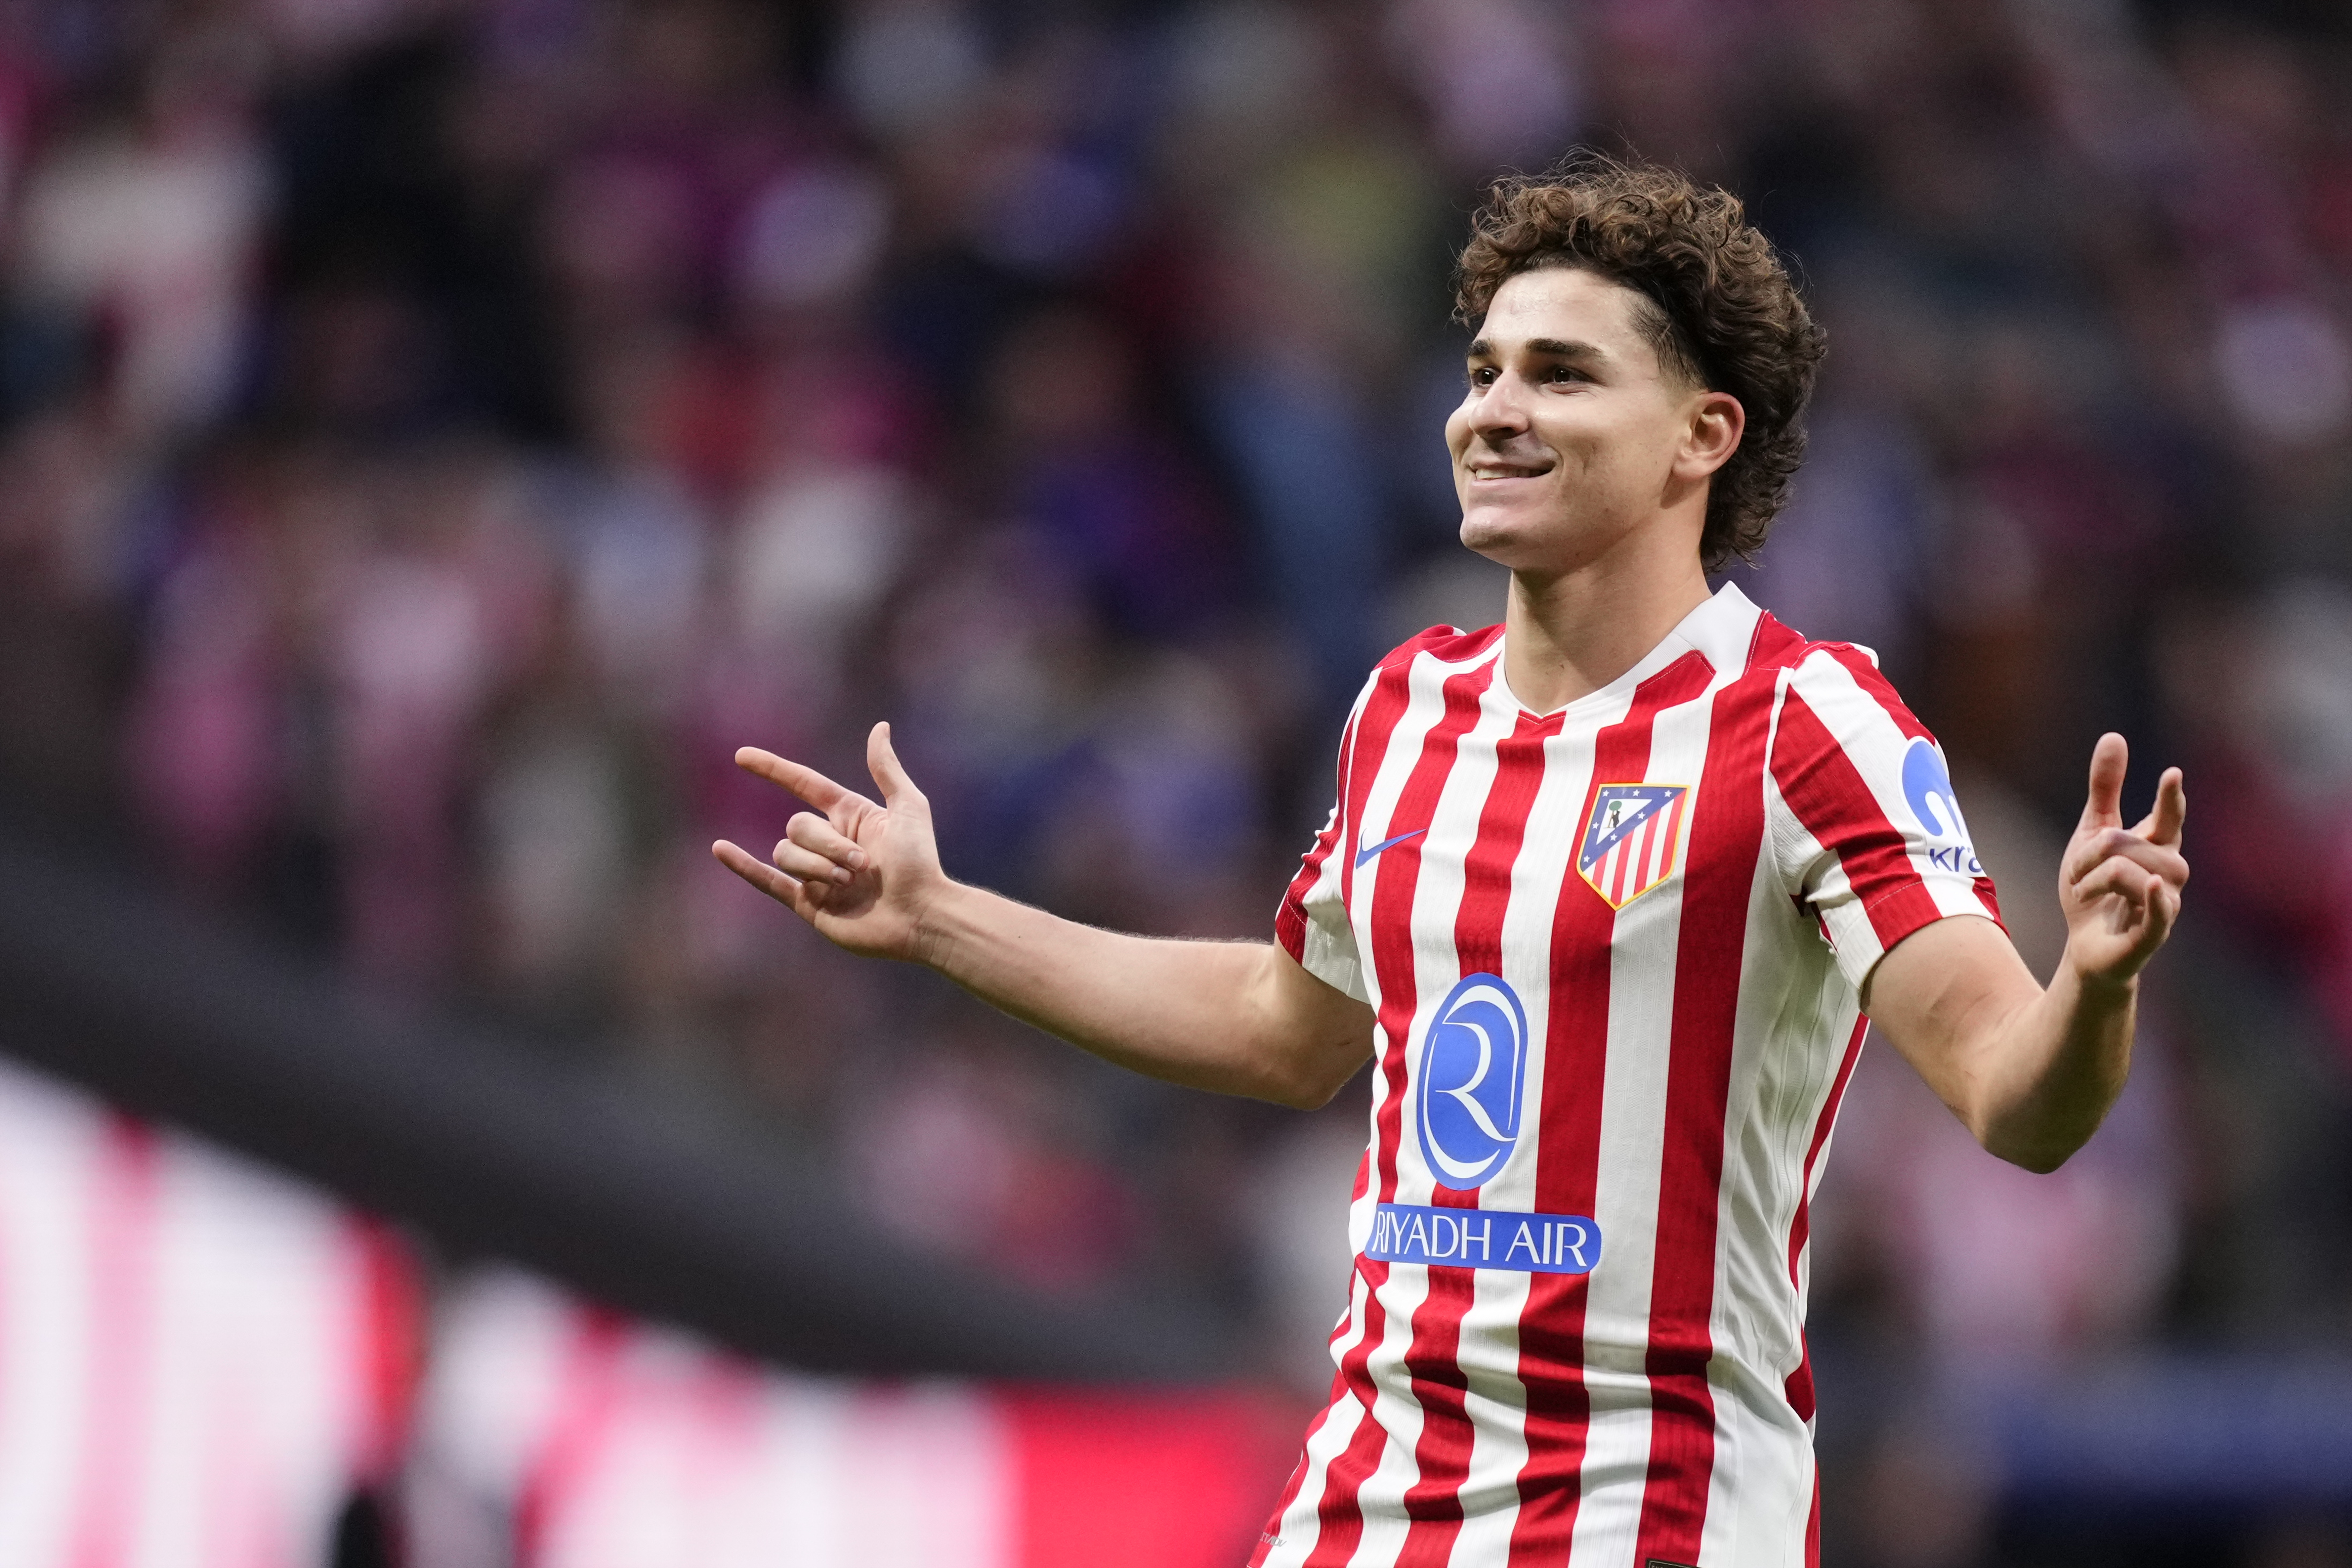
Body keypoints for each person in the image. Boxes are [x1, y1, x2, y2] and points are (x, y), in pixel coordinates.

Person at [712, 156, 2189, 1567]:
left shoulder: (1808, 726)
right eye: (1485, 368)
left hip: (1645, 1506)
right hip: (1372, 1493)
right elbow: (1281, 1030)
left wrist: (2097, 985)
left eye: (1561, 373)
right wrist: (937, 916)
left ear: (1702, 435)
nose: (1491, 409)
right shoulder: (1410, 706)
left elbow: (2015, 1095)